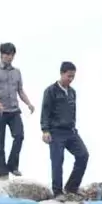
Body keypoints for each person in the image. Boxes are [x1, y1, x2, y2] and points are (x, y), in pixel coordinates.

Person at [40, 61, 89, 196]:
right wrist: (45, 130)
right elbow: (45, 112)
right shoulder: (50, 91)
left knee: (83, 155)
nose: (71, 79)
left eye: (73, 76)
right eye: (69, 76)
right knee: (57, 160)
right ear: (62, 73)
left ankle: (72, 187)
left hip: (71, 131)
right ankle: (57, 192)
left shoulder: (72, 92)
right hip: (56, 132)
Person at [0, 42, 35, 180]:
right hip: (0, 111)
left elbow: (20, 90)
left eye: (12, 55)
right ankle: (3, 173)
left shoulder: (17, 72)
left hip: (14, 110)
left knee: (19, 136)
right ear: (1, 54)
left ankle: (13, 165)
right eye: (7, 54)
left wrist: (29, 103)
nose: (9, 57)